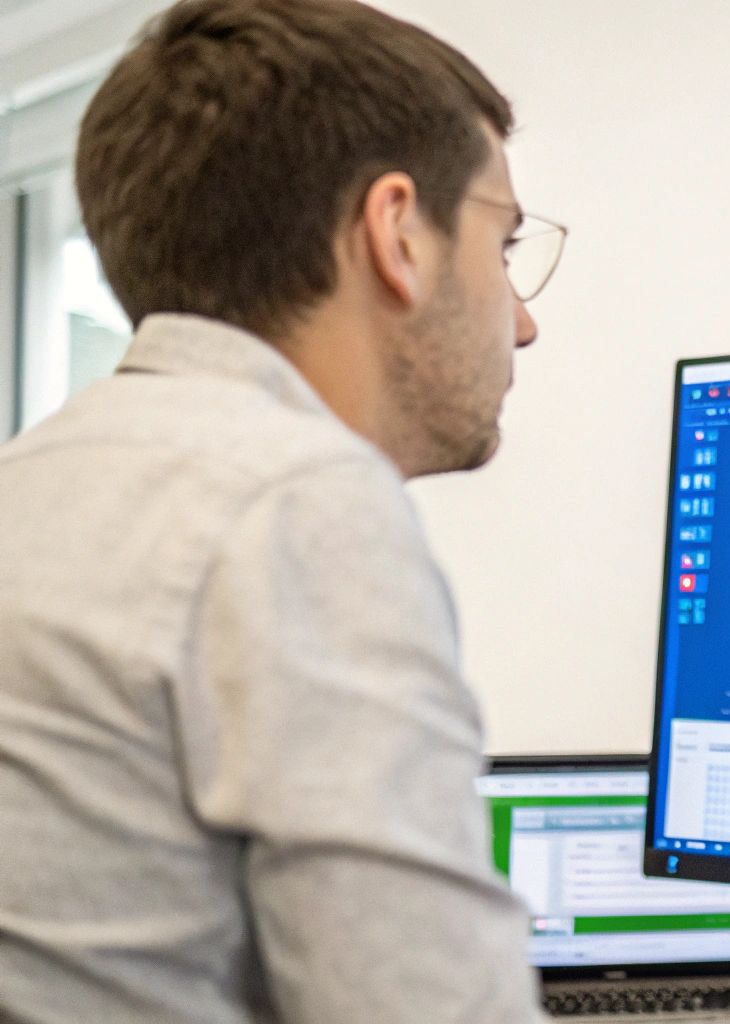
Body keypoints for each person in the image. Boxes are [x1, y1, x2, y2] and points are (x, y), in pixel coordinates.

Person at [0, 0, 564, 1020]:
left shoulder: (32, 477)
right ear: (397, 233)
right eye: (505, 245)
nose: (521, 323)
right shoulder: (294, 499)